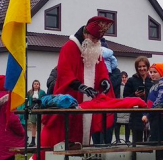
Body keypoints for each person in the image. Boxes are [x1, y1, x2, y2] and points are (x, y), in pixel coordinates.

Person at [46, 16, 115, 147]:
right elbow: (64, 71)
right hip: (73, 97)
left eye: (98, 40)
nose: (95, 42)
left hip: (88, 100)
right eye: (93, 39)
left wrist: (104, 80)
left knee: (85, 131)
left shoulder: (95, 50)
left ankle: (83, 154)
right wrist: (79, 86)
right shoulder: (69, 47)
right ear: (85, 34)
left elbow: (101, 69)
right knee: (69, 132)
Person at [123, 56, 153, 143]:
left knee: (150, 141)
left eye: (144, 66)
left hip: (149, 114)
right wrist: (135, 95)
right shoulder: (131, 81)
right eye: (139, 66)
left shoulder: (151, 80)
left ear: (147, 67)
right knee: (137, 142)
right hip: (136, 115)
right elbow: (125, 97)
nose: (142, 68)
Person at [144, 63, 163, 143]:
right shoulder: (153, 86)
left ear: (160, 73)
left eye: (155, 72)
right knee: (153, 137)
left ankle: (161, 155)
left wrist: (149, 114)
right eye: (150, 72)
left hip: (159, 115)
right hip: (153, 115)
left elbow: (159, 101)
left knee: (158, 138)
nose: (152, 74)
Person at [24, 80, 45, 147]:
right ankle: (33, 140)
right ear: (32, 85)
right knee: (33, 125)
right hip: (32, 110)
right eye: (34, 84)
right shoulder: (30, 93)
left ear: (39, 85)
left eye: (37, 84)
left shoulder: (42, 92)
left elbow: (44, 100)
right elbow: (27, 101)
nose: (36, 85)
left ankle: (40, 140)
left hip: (39, 110)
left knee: (40, 125)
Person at [114, 71, 130, 142]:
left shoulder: (129, 86)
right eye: (122, 77)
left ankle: (127, 140)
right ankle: (117, 139)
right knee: (118, 125)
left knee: (127, 125)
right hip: (119, 107)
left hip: (127, 107)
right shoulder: (118, 86)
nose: (124, 79)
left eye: (125, 77)